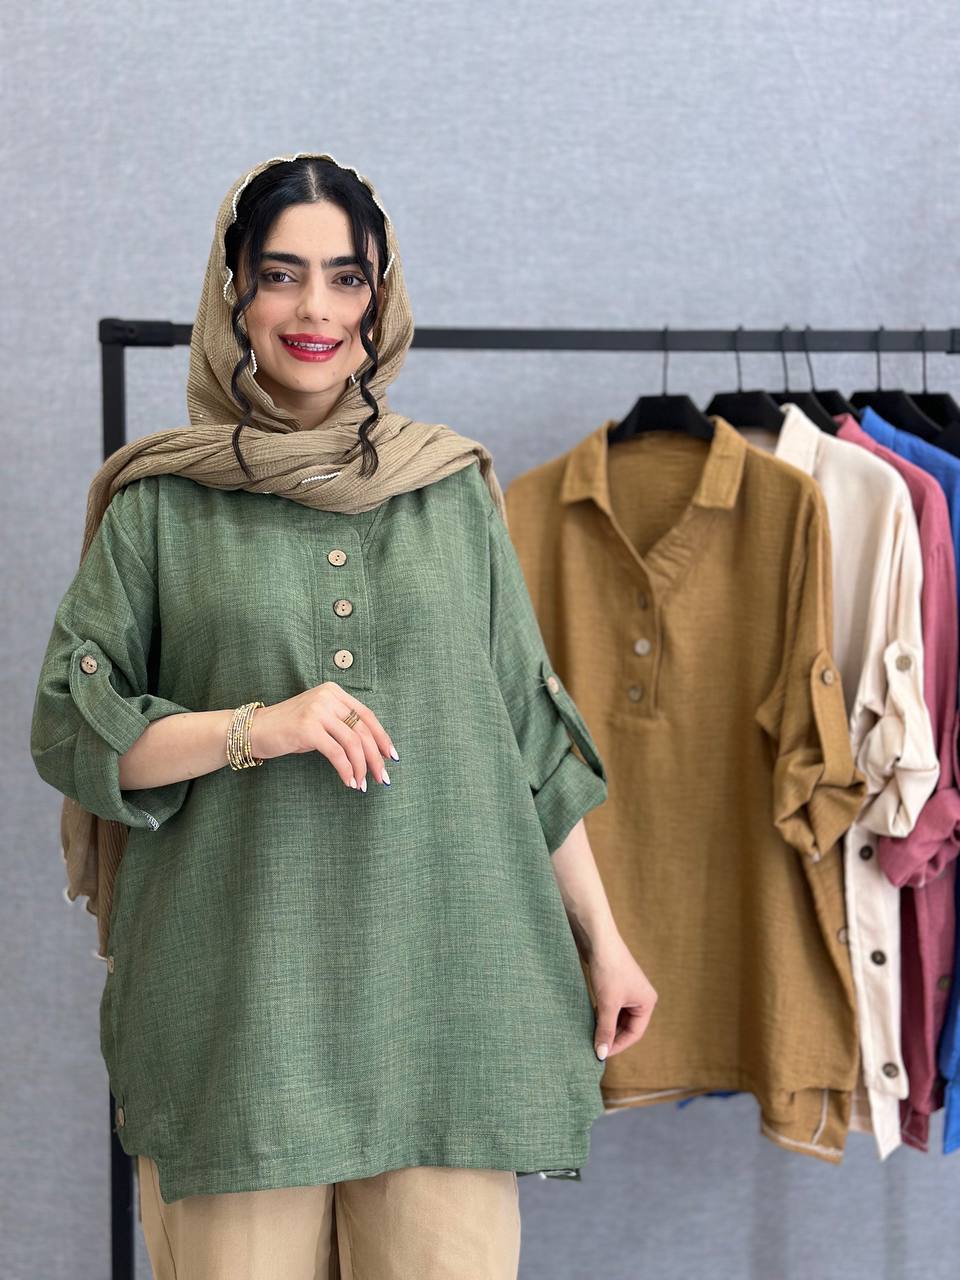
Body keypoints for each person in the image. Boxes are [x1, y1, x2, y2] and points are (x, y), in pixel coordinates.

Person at [30, 151, 658, 1279]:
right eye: (281, 275)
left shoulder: (450, 490)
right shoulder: (159, 504)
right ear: (233, 294)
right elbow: (75, 728)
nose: (314, 308)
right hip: (239, 1022)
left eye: (345, 276)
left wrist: (606, 946)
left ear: (380, 298)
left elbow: (526, 739)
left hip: (448, 1011)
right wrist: (256, 727)